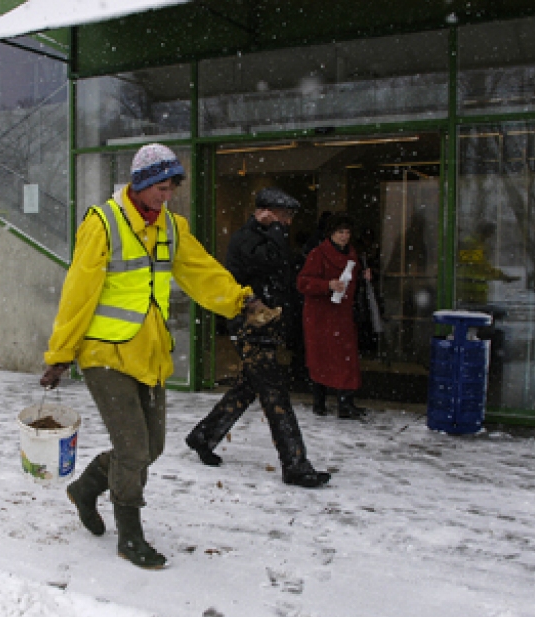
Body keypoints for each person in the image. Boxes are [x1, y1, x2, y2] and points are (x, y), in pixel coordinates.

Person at [39, 143, 272, 570]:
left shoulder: (172, 227)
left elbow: (202, 273)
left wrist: (242, 301)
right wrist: (60, 354)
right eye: (160, 188)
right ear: (141, 183)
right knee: (132, 449)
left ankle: (87, 488)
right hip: (104, 354)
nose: (166, 197)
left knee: (151, 448)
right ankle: (130, 536)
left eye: (172, 189)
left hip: (149, 354)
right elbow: (78, 293)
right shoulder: (103, 223)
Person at [184, 188, 332, 489]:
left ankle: (203, 435)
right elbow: (270, 265)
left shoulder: (268, 236)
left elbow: (283, 275)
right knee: (275, 392)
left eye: (289, 217)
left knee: (249, 387)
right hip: (250, 325)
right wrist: (275, 230)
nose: (288, 223)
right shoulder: (246, 239)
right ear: (264, 212)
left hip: (268, 324)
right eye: (284, 216)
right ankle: (295, 464)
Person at [297, 213, 372, 419]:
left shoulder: (352, 255)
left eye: (347, 232)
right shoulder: (318, 254)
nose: (344, 236)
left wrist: (363, 275)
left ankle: (343, 402)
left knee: (344, 359)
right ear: (331, 233)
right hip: (321, 315)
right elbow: (303, 282)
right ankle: (322, 402)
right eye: (340, 232)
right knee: (323, 357)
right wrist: (327, 285)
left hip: (342, 313)